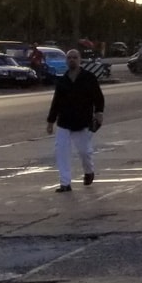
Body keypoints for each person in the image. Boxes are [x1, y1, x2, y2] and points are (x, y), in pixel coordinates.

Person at [46, 47, 105, 192]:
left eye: (74, 57)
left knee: (85, 152)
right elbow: (56, 102)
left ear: (79, 60)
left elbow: (98, 97)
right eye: (69, 58)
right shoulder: (63, 80)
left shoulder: (89, 78)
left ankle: (89, 171)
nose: (72, 60)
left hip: (82, 121)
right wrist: (50, 121)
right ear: (66, 61)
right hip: (64, 121)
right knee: (62, 152)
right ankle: (65, 183)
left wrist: (99, 113)